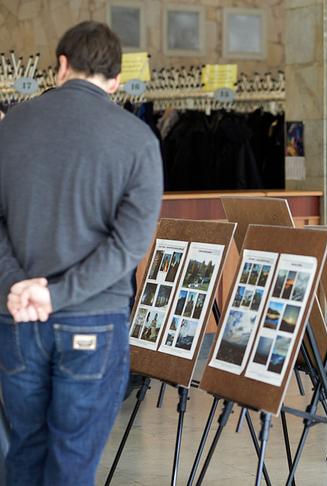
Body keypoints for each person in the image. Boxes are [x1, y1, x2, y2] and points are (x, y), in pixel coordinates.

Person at [0, 21, 162, 485]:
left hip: (17, 318)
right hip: (93, 319)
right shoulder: (137, 140)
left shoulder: (10, 129)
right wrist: (60, 294)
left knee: (24, 451)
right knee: (72, 460)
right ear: (114, 80)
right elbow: (129, 243)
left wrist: (18, 284)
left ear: (61, 66)